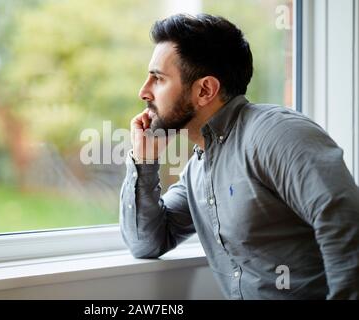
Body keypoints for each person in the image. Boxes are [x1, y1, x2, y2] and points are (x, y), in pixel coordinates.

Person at [119, 13, 359, 300]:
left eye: (157, 79)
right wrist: (144, 163)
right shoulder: (200, 168)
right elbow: (146, 243)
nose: (143, 91)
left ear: (205, 90)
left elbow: (344, 218)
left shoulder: (276, 132)